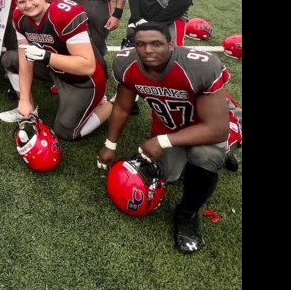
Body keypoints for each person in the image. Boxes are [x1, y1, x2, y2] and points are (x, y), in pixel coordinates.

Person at [98, 23, 239, 254]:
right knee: (169, 175)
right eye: (140, 44)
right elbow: (122, 107)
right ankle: (207, 154)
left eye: (156, 44)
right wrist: (109, 145)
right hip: (170, 125)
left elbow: (216, 128)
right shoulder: (126, 64)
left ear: (171, 45)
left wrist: (162, 141)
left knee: (205, 155)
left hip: (212, 123)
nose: (148, 50)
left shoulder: (199, 66)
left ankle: (187, 214)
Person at [0, 0, 112, 142]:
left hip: (83, 79)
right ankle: (28, 110)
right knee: (10, 59)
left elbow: (87, 66)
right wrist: (23, 100)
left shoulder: (64, 14)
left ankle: (113, 104)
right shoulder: (19, 17)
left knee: (66, 132)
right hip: (54, 69)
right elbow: (25, 59)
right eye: (22, 2)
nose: (29, 5)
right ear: (16, 4)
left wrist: (46, 56)